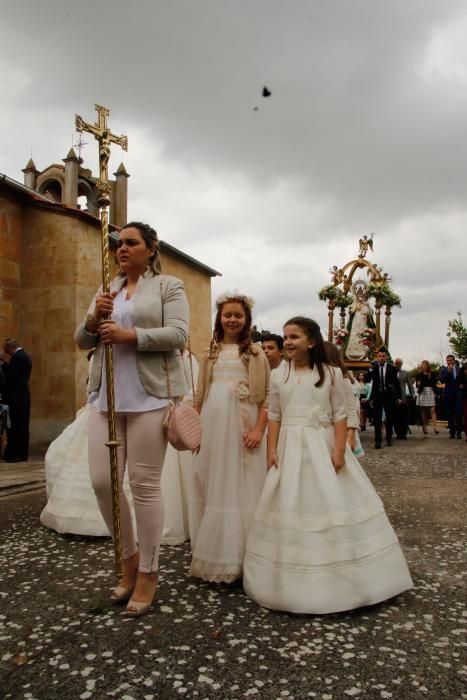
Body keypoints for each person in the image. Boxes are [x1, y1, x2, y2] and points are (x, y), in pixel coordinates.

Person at [243, 317, 413, 614]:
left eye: (295, 336)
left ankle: (349, 578)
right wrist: (272, 450)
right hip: (289, 447)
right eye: (286, 337)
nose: (289, 342)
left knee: (332, 502)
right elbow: (275, 415)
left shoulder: (331, 374)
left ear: (311, 341)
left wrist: (338, 450)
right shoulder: (279, 374)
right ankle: (287, 580)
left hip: (322, 445)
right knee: (290, 504)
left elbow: (338, 414)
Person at [75, 221, 189, 617]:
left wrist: (131, 336)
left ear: (150, 248)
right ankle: (128, 557)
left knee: (143, 485)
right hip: (106, 396)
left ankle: (149, 572)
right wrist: (94, 320)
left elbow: (178, 334)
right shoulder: (106, 289)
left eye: (130, 243)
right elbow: (81, 340)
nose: (121, 249)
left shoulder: (168, 287)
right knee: (102, 481)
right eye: (118, 244)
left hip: (149, 397)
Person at [190, 291, 270, 583]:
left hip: (242, 423)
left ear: (247, 319)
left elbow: (266, 397)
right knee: (214, 480)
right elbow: (199, 395)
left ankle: (248, 553)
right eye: (228, 315)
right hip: (213, 423)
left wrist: (258, 429)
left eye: (238, 315)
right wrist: (194, 430)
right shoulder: (208, 354)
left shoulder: (255, 353)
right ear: (219, 319)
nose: (233, 320)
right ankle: (217, 550)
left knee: (244, 483)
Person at [2, 338, 32, 462]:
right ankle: (21, 453)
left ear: (10, 347)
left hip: (16, 397)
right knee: (22, 426)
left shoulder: (18, 358)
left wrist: (3, 363)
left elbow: (11, 377)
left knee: (15, 426)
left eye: (6, 350)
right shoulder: (25, 356)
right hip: (23, 396)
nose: (6, 353)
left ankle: (15, 454)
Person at [368, 347, 401, 449]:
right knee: (377, 419)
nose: (381, 358)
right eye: (380, 356)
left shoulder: (392, 368)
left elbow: (396, 384)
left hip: (389, 396)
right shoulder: (375, 368)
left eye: (383, 356)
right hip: (378, 396)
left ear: (386, 357)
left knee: (389, 418)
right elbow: (368, 379)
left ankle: (389, 438)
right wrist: (370, 368)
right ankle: (378, 441)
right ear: (377, 357)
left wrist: (398, 397)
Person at [439, 355, 463, 439]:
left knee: (458, 413)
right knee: (450, 414)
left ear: (454, 360)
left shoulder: (459, 370)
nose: (449, 362)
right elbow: (442, 380)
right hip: (448, 395)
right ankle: (452, 432)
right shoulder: (444, 370)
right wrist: (448, 372)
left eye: (450, 360)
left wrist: (462, 384)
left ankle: (459, 432)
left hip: (458, 395)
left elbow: (463, 379)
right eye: (447, 360)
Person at [394, 358, 415, 440]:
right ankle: (398, 433)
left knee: (403, 415)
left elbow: (410, 385)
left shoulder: (405, 373)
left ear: (401, 364)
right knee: (396, 417)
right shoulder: (392, 372)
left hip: (403, 397)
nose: (397, 364)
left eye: (399, 363)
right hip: (394, 397)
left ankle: (404, 433)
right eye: (396, 363)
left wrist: (413, 394)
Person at [416, 360, 439, 435]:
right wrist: (418, 384)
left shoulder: (432, 374)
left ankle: (435, 427)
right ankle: (425, 427)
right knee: (424, 411)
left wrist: (436, 393)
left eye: (425, 365)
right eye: (422, 365)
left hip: (430, 391)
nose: (424, 366)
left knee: (432, 410)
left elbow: (434, 384)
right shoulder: (419, 374)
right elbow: (417, 385)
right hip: (423, 392)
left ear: (427, 366)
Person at [457, 363, 467, 442]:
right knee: (466, 416)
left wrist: (463, 386)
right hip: (464, 398)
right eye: (465, 369)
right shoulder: (461, 378)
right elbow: (458, 385)